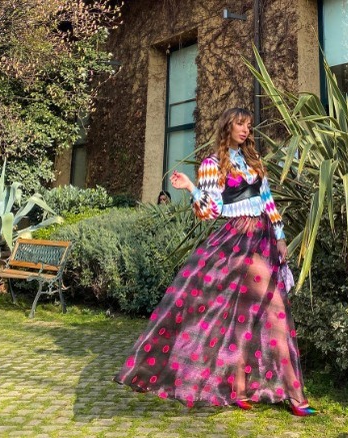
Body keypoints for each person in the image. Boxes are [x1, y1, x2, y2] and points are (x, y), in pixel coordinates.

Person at [113, 107, 316, 416]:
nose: (246, 130)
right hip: (236, 241)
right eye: (240, 124)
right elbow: (210, 211)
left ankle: (240, 390)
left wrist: (280, 236)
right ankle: (294, 396)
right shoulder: (211, 164)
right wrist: (192, 188)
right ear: (227, 127)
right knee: (266, 315)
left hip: (263, 239)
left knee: (253, 317)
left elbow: (268, 200)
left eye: (249, 125)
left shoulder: (253, 161)